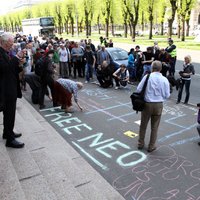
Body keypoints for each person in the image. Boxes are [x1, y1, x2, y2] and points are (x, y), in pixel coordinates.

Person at [137, 60, 170, 152]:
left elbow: (138, 89)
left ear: (152, 68)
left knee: (143, 125)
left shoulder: (147, 77)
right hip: (158, 104)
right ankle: (151, 146)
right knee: (154, 127)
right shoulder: (164, 79)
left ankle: (140, 143)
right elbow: (167, 95)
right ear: (161, 69)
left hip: (147, 104)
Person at [0, 33, 25, 148]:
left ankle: (7, 132)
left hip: (10, 87)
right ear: (5, 42)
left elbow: (11, 68)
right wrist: (16, 58)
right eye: (11, 42)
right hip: (6, 89)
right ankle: (10, 140)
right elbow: (5, 68)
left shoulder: (6, 52)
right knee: (9, 113)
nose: (13, 44)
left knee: (9, 113)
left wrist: (19, 64)